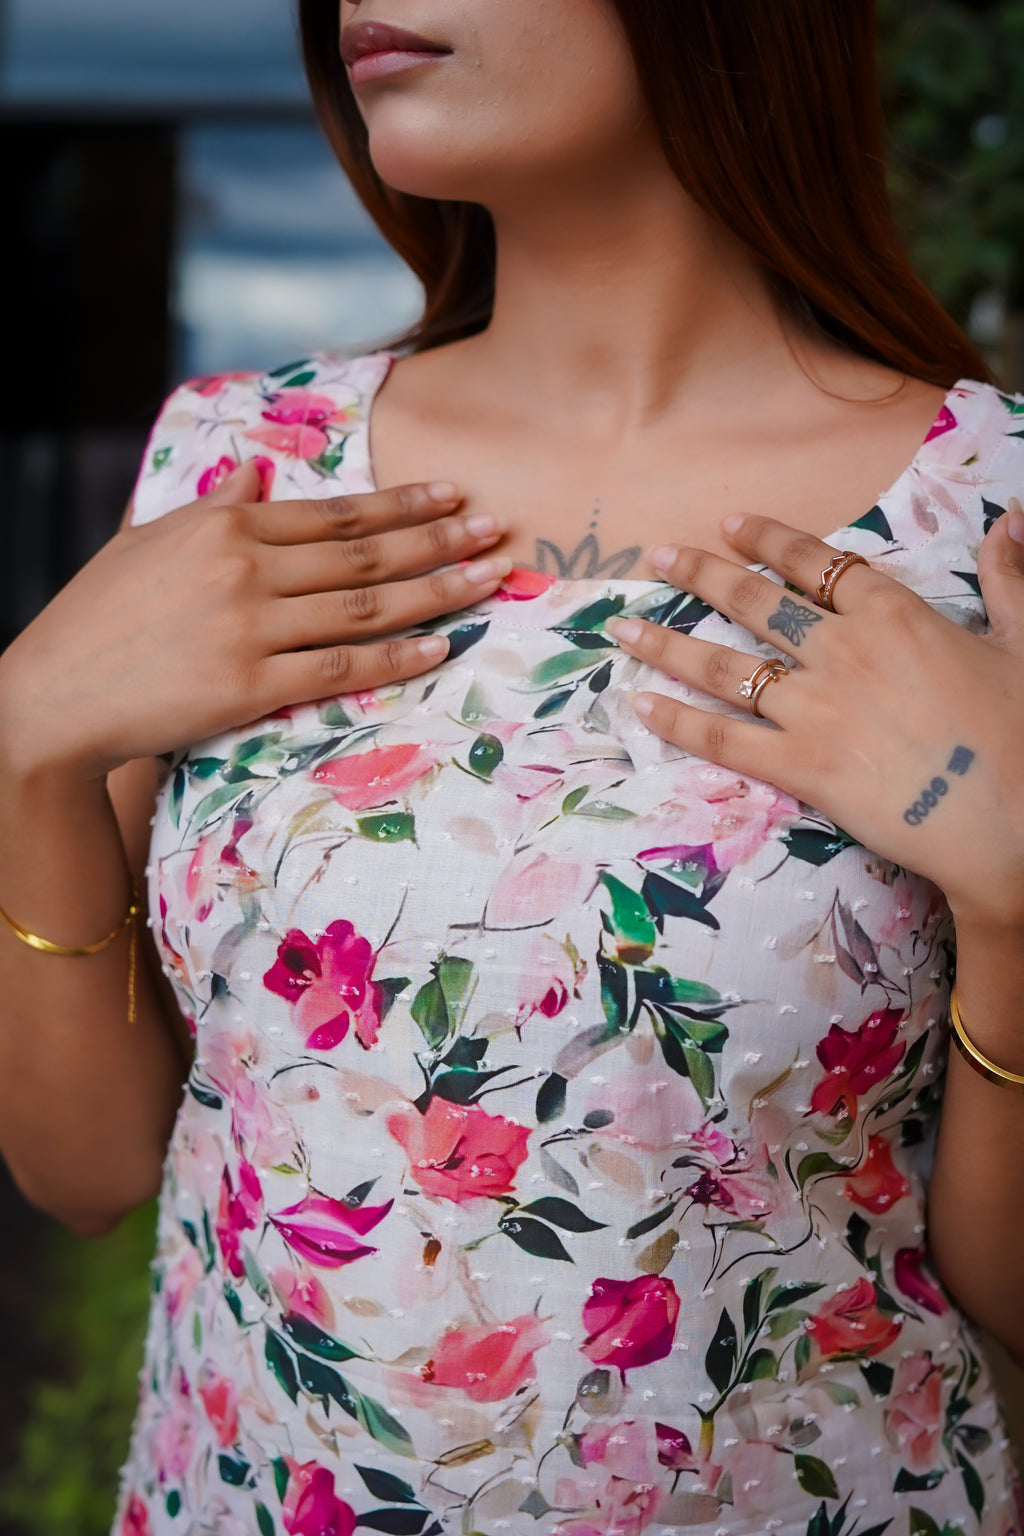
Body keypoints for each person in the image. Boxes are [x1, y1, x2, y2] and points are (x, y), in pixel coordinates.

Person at [1, 1, 1023, 1531]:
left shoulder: (986, 514)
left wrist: (1018, 889)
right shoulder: (238, 463)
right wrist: (23, 743)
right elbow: (84, 1171)